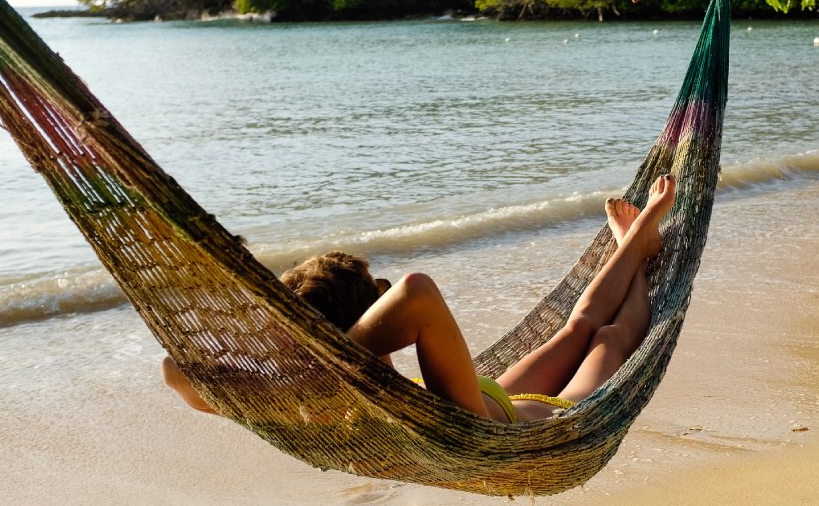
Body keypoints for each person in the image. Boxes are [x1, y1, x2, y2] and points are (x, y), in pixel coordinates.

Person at [162, 174, 676, 423]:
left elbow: (175, 371)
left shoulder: (313, 395)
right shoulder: (316, 403)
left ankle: (632, 246)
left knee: (577, 327)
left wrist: (293, 344)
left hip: (488, 392)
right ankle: (638, 248)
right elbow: (416, 291)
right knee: (609, 336)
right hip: (533, 423)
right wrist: (316, 356)